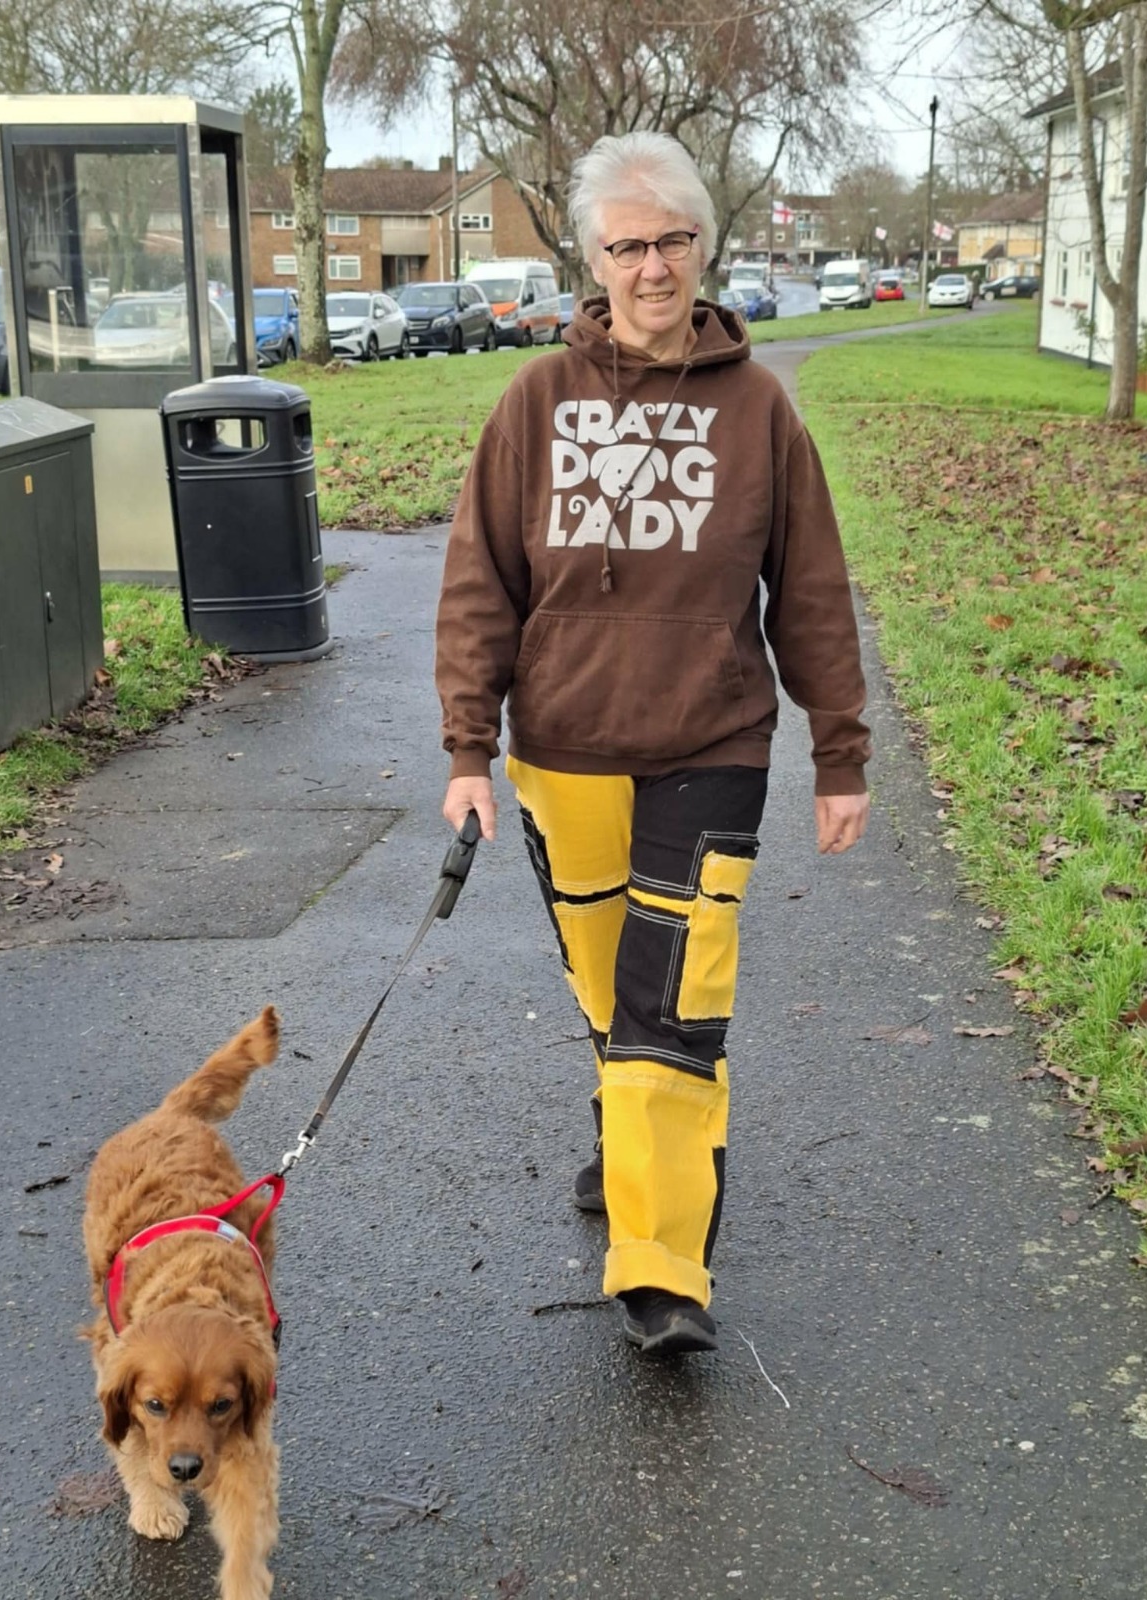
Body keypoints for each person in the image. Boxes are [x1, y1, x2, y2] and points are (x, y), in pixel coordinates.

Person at [435, 131, 870, 1357]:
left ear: (705, 248)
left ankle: (662, 1266)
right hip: (563, 747)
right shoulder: (535, 403)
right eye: (628, 246)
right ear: (594, 261)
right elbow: (480, 583)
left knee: (673, 1001)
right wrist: (469, 749)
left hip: (712, 741)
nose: (653, 266)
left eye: (673, 240)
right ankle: (629, 1144)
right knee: (606, 981)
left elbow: (815, 590)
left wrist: (842, 754)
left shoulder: (759, 410)